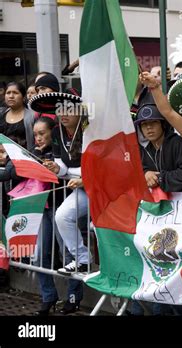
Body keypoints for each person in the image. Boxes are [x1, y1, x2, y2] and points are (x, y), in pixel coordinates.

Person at [130, 104, 182, 316]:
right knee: (157, 261)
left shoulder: (176, 143)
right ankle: (158, 309)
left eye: (153, 123)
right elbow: (134, 173)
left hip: (180, 213)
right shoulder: (145, 149)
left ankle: (177, 311)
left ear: (163, 124)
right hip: (156, 215)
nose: (148, 129)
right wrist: (144, 173)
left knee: (176, 262)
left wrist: (158, 178)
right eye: (144, 125)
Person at [30, 88, 91, 314]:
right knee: (62, 216)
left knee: (106, 232)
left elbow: (101, 164)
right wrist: (57, 169)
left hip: (103, 188)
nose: (63, 113)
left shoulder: (91, 130)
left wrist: (84, 177)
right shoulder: (56, 132)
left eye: (68, 108)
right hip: (81, 188)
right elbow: (63, 167)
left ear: (79, 110)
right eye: (60, 109)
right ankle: (83, 259)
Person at [0, 82, 35, 151]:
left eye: (15, 93)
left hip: (22, 158)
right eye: (8, 93)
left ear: (23, 97)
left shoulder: (32, 116)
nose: (11, 96)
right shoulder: (1, 114)